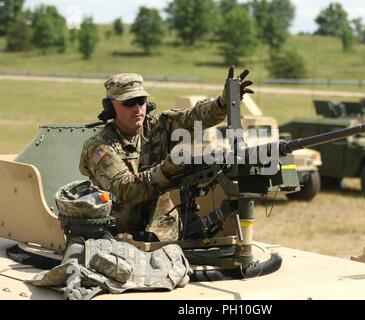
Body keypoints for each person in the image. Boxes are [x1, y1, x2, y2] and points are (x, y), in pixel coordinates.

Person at [79, 67, 253, 242]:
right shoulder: (100, 147)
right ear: (110, 106)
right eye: (129, 102)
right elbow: (126, 190)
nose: (137, 108)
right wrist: (166, 170)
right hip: (120, 239)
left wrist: (223, 103)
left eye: (141, 100)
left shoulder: (159, 126)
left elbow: (195, 117)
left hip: (164, 235)